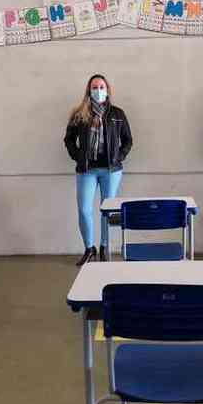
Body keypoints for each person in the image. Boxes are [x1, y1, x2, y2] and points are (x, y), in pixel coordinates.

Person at [64, 74, 133, 266]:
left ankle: (104, 247)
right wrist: (77, 156)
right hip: (87, 169)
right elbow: (68, 139)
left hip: (111, 170)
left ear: (108, 89)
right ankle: (89, 248)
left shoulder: (117, 114)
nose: (98, 90)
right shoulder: (79, 113)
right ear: (89, 90)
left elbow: (128, 140)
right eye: (95, 87)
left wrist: (119, 156)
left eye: (101, 87)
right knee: (84, 210)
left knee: (107, 211)